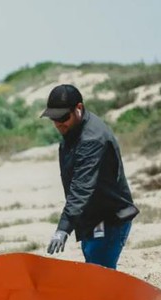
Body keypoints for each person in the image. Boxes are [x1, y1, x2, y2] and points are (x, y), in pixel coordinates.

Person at [41, 84, 139, 270]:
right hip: (91, 219)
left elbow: (81, 188)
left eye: (63, 117)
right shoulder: (74, 129)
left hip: (108, 220)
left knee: (99, 279)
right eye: (54, 118)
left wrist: (63, 229)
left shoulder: (92, 139)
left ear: (78, 108)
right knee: (95, 274)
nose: (59, 123)